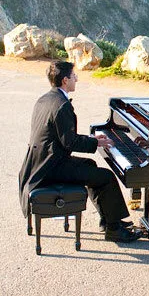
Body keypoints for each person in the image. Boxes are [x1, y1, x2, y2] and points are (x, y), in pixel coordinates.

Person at [18, 60, 141, 243]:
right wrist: (96, 143)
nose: (76, 79)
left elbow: (60, 137)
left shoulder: (45, 99)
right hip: (50, 167)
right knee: (106, 176)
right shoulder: (62, 105)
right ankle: (114, 230)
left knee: (90, 165)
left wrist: (92, 140)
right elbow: (70, 142)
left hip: (40, 162)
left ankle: (108, 220)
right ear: (65, 80)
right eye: (74, 76)